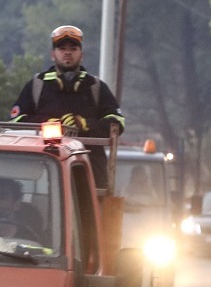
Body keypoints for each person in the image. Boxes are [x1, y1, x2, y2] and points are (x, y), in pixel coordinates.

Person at [8, 24, 125, 188]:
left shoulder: (96, 87)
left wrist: (84, 125)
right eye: (62, 48)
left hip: (90, 180)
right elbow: (15, 122)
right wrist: (49, 125)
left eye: (73, 48)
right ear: (53, 54)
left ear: (81, 55)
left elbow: (117, 122)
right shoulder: (36, 86)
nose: (67, 52)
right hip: (43, 179)